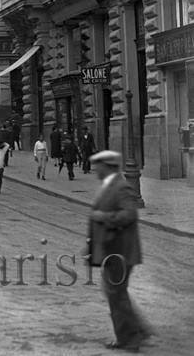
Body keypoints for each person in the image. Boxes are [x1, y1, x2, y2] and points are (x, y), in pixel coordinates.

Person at [86, 150, 151, 351]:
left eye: (98, 165)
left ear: (108, 167)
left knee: (116, 293)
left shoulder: (121, 187)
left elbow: (129, 215)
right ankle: (137, 331)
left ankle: (130, 338)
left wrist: (103, 217)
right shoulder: (108, 185)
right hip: (111, 249)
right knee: (115, 291)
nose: (95, 169)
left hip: (121, 250)